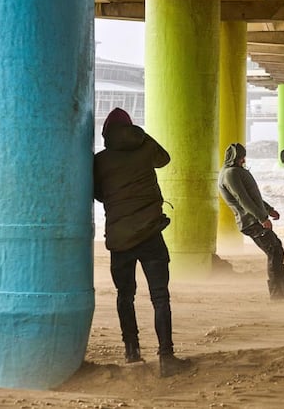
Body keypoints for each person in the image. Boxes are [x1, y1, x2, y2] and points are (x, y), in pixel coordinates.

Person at [93, 107, 192, 378]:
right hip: (150, 235)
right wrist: (143, 137)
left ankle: (132, 351)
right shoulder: (145, 149)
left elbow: (98, 195)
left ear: (106, 134)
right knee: (160, 297)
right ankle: (167, 358)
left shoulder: (100, 160)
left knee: (125, 296)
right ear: (132, 129)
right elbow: (164, 159)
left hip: (119, 238)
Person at [218, 143, 284, 300]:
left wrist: (269, 209)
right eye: (240, 157)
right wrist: (262, 218)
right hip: (250, 221)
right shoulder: (230, 173)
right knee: (274, 251)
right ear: (233, 157)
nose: (243, 159)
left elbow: (253, 196)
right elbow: (243, 199)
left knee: (276, 250)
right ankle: (278, 294)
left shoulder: (236, 171)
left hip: (255, 218)